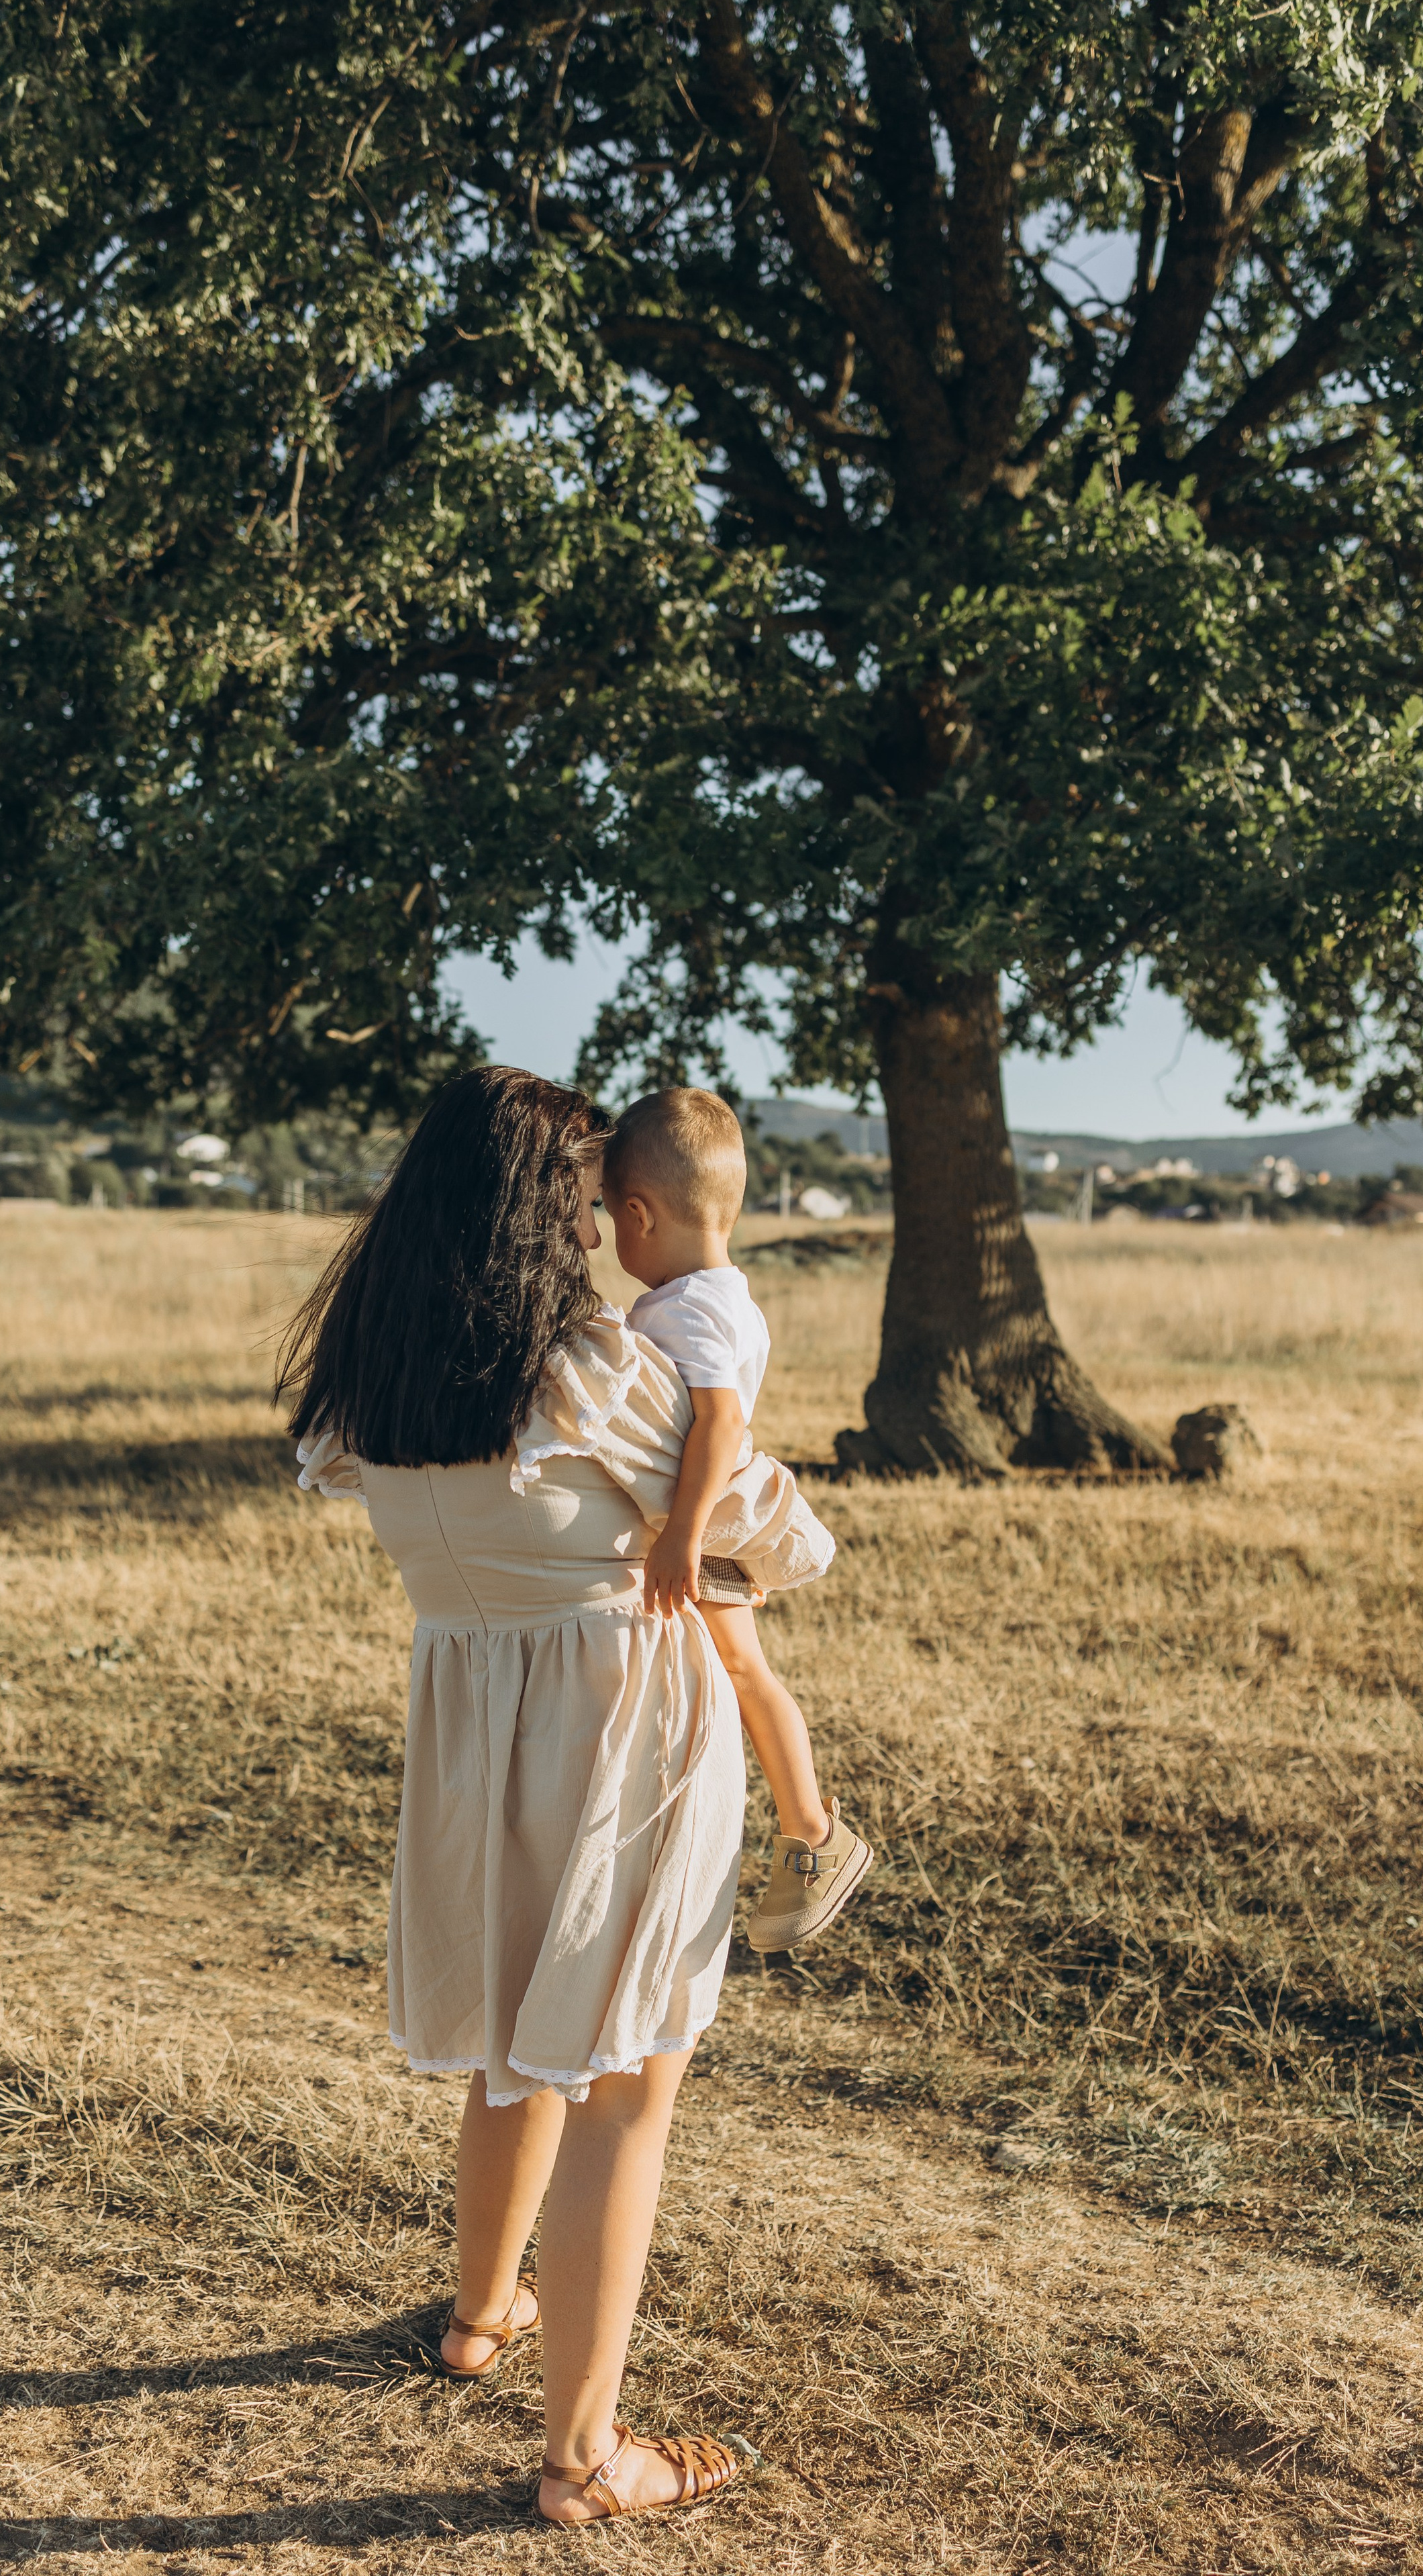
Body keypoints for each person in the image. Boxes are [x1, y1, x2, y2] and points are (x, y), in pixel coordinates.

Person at [277, 1065, 836, 2526]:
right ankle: (587, 2459)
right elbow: (774, 1532)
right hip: (623, 1732)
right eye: (579, 1200)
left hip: (472, 1733)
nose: (596, 1227)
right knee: (623, 2091)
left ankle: (479, 2319)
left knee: (513, 2048)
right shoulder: (589, 1369)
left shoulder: (371, 1382)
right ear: (548, 1213)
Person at [601, 1087, 873, 1954]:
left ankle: (816, 1835)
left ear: (639, 1212)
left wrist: (683, 1535)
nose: (609, 1238)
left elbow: (718, 1422)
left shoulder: (687, 1309)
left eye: (609, 1217)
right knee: (735, 1671)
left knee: (743, 1672)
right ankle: (807, 1831)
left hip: (704, 1524)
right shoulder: (715, 1295)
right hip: (699, 1517)